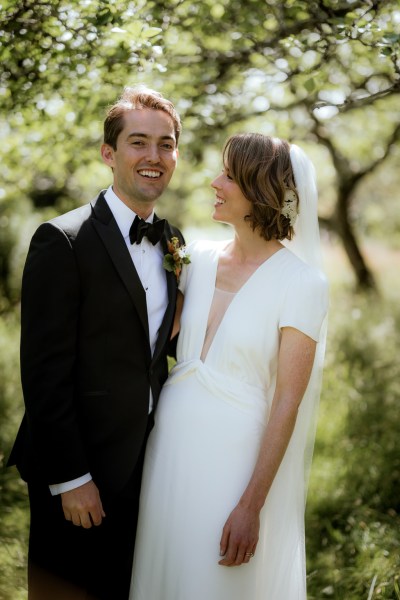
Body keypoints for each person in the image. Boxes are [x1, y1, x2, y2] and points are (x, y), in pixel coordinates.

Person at [129, 133, 329, 599]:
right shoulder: (196, 258)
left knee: (213, 580)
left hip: (234, 463)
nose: (215, 182)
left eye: (231, 177)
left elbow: (287, 403)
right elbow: (152, 341)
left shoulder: (302, 284)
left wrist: (251, 504)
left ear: (260, 191)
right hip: (168, 452)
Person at [7, 86, 184, 600]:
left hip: (145, 465)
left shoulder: (174, 242)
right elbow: (43, 373)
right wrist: (71, 477)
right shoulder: (61, 240)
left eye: (166, 144)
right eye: (139, 142)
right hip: (78, 469)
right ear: (109, 153)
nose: (154, 157)